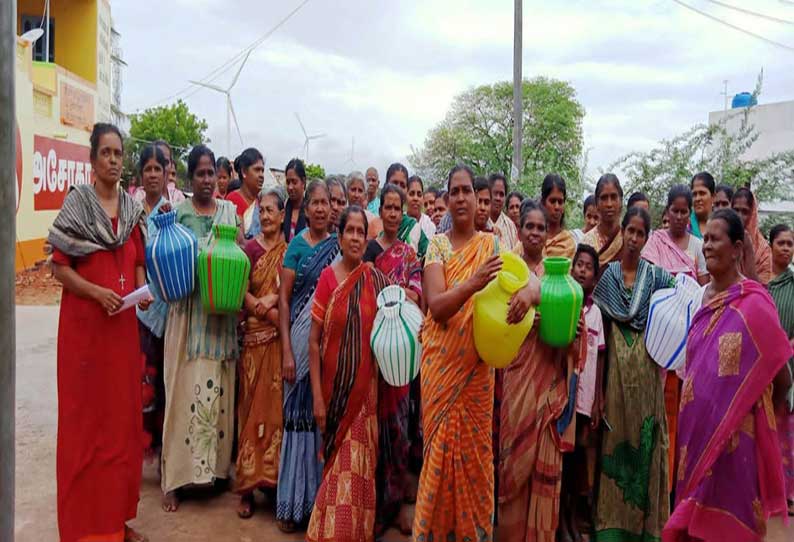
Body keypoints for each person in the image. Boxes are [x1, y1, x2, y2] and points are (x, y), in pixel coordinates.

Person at [413, 164, 538, 541]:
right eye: (456, 191)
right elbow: (437, 305)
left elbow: (529, 278)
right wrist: (476, 281)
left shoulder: (493, 246)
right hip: (441, 367)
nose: (463, 197)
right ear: (448, 200)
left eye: (468, 190)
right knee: (438, 454)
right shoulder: (436, 245)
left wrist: (528, 295)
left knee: (475, 459)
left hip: (477, 372)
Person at [663, 209, 793, 542]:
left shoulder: (755, 303)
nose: (706, 246)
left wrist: (749, 414)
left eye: (714, 239)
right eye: (704, 238)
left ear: (737, 248)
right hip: (695, 437)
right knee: (692, 525)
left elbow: (783, 379)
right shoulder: (699, 298)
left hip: (737, 444)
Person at [49, 123, 149, 542]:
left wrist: (141, 292)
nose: (112, 159)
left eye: (118, 153)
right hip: (85, 336)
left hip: (122, 334)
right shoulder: (77, 207)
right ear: (92, 160)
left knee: (119, 429)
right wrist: (95, 293)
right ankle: (82, 528)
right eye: (105, 152)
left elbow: (139, 260)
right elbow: (58, 268)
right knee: (83, 429)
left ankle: (115, 523)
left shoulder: (130, 212)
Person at [498, 201, 586, 542]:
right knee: (512, 476)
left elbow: (573, 343)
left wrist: (573, 334)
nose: (535, 232)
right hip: (518, 384)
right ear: (520, 230)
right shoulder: (509, 274)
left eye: (540, 227)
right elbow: (497, 324)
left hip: (550, 388)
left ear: (547, 233)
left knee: (545, 480)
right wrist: (525, 319)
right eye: (529, 226)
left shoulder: (557, 278)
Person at [159, 145, 240, 513]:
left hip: (219, 319)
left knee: (218, 394)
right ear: (190, 178)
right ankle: (174, 480)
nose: (207, 180)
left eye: (212, 173)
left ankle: (215, 474)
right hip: (187, 317)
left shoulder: (230, 213)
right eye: (201, 174)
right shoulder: (175, 216)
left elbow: (237, 256)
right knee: (180, 394)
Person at [305, 207, 388, 542]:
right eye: (349, 231)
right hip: (333, 392)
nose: (355, 237)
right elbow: (313, 343)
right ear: (339, 237)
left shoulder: (376, 280)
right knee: (337, 472)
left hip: (365, 395)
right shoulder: (328, 278)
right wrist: (318, 400)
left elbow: (389, 333)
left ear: (366, 239)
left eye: (360, 232)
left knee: (356, 471)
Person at [592, 206, 674, 542]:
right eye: (631, 231)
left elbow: (680, 297)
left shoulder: (656, 278)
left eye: (641, 234)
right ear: (623, 231)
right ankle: (613, 527)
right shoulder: (608, 276)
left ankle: (647, 530)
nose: (635, 239)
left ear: (647, 237)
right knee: (616, 443)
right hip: (615, 380)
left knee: (646, 444)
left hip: (648, 380)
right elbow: (598, 333)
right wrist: (597, 391)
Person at [276, 180, 340, 532]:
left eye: (324, 203)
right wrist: (287, 349)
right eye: (314, 202)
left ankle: (317, 505)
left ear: (332, 208)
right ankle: (290, 505)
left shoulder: (338, 247)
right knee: (294, 424)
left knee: (318, 425)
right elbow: (285, 299)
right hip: (296, 350)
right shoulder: (296, 248)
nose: (318, 208)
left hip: (324, 351)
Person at [362, 184, 424, 534]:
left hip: (402, 354)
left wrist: (405, 299)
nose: (392, 213)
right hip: (375, 352)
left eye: (397, 208)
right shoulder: (370, 251)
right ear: (380, 211)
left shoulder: (409, 253)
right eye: (386, 207)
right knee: (377, 429)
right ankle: (377, 506)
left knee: (400, 429)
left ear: (402, 214)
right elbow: (365, 293)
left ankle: (398, 502)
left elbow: (416, 293)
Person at [234, 188, 288, 519]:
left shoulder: (289, 251)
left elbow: (290, 291)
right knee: (249, 414)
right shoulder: (250, 250)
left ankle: (272, 482)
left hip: (279, 345)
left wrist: (271, 305)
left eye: (272, 210)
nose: (266, 216)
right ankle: (247, 488)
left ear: (283, 215)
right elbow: (240, 290)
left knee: (275, 413)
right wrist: (261, 307)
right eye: (262, 210)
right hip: (253, 344)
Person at [561, 244, 605, 542]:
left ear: (594, 277)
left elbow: (600, 355)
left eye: (588, 267)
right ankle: (561, 522)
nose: (582, 270)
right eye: (578, 264)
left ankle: (573, 518)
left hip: (585, 396)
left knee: (577, 458)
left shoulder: (597, 313)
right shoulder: (562, 303)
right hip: (563, 393)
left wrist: (599, 398)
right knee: (562, 457)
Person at [135, 145, 170, 462]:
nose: (153, 174)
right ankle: (142, 444)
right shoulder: (132, 211)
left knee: (164, 379)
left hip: (167, 306)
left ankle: (161, 447)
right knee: (142, 376)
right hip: (139, 304)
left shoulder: (171, 211)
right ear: (141, 176)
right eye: (148, 169)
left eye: (158, 169)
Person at [767, 224, 794, 515]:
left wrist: (783, 348)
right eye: (781, 242)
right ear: (770, 245)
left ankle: (787, 494)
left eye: (790, 243)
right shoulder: (761, 284)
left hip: (788, 363)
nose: (786, 248)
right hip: (763, 366)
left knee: (786, 428)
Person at [642, 185, 709, 285]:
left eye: (683, 212)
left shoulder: (697, 245)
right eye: (675, 211)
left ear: (690, 213)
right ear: (668, 211)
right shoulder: (655, 241)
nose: (679, 217)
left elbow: (703, 289)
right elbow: (645, 279)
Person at [383, 163, 429, 259]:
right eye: (394, 183)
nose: (398, 188)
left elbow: (429, 258)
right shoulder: (374, 225)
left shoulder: (413, 227)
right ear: (385, 185)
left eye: (402, 185)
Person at [581, 174, 624, 272]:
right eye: (604, 198)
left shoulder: (628, 238)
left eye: (613, 197)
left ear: (621, 201)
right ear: (597, 204)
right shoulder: (587, 242)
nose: (609, 204)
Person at [731, 187, 772, 284]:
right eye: (736, 210)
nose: (739, 216)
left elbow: (760, 290)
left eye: (745, 212)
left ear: (752, 214)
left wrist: (748, 250)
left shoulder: (763, 251)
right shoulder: (723, 240)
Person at [227, 148, 265, 235]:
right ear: (244, 172)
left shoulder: (260, 202)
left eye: (262, 171)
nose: (261, 175)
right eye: (257, 170)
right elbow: (240, 241)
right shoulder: (233, 200)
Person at [541, 173, 576, 259]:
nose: (557, 207)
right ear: (543, 203)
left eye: (560, 202)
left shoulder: (568, 243)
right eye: (552, 201)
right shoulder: (533, 237)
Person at [488, 173, 520, 250]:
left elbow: (516, 256)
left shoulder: (510, 226)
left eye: (501, 194)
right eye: (495, 193)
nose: (498, 198)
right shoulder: (480, 222)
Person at [346, 172, 380, 238]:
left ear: (365, 195)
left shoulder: (372, 221)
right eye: (353, 190)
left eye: (360, 191)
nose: (356, 195)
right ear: (346, 192)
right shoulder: (340, 217)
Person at [283, 158, 308, 242]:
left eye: (294, 182)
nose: (290, 187)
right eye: (288, 182)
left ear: (303, 182)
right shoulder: (283, 209)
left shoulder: (310, 212)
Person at [154, 139, 186, 205]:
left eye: (165, 162)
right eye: (158, 161)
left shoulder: (178, 197)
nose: (162, 167)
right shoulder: (141, 195)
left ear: (171, 165)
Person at [689, 171, 715, 239]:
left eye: (702, 193)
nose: (697, 198)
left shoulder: (723, 225)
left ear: (713, 196)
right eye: (694, 194)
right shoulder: (685, 226)